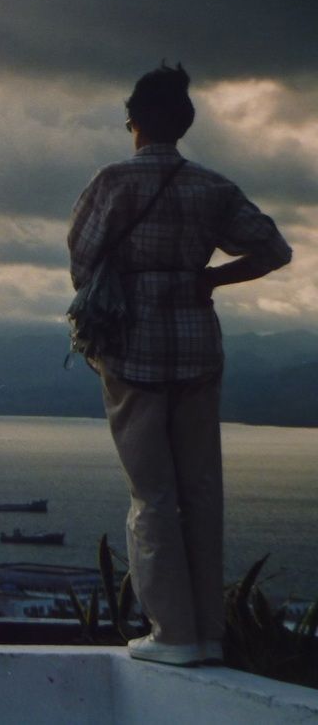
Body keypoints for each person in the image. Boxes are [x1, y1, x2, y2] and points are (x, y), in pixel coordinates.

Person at [68, 64, 291, 666]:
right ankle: (210, 633)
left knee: (152, 495)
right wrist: (212, 276)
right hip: (197, 349)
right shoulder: (212, 188)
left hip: (131, 353)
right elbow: (274, 249)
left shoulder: (111, 182)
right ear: (185, 124)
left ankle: (171, 633)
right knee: (201, 489)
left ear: (133, 123)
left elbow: (83, 266)